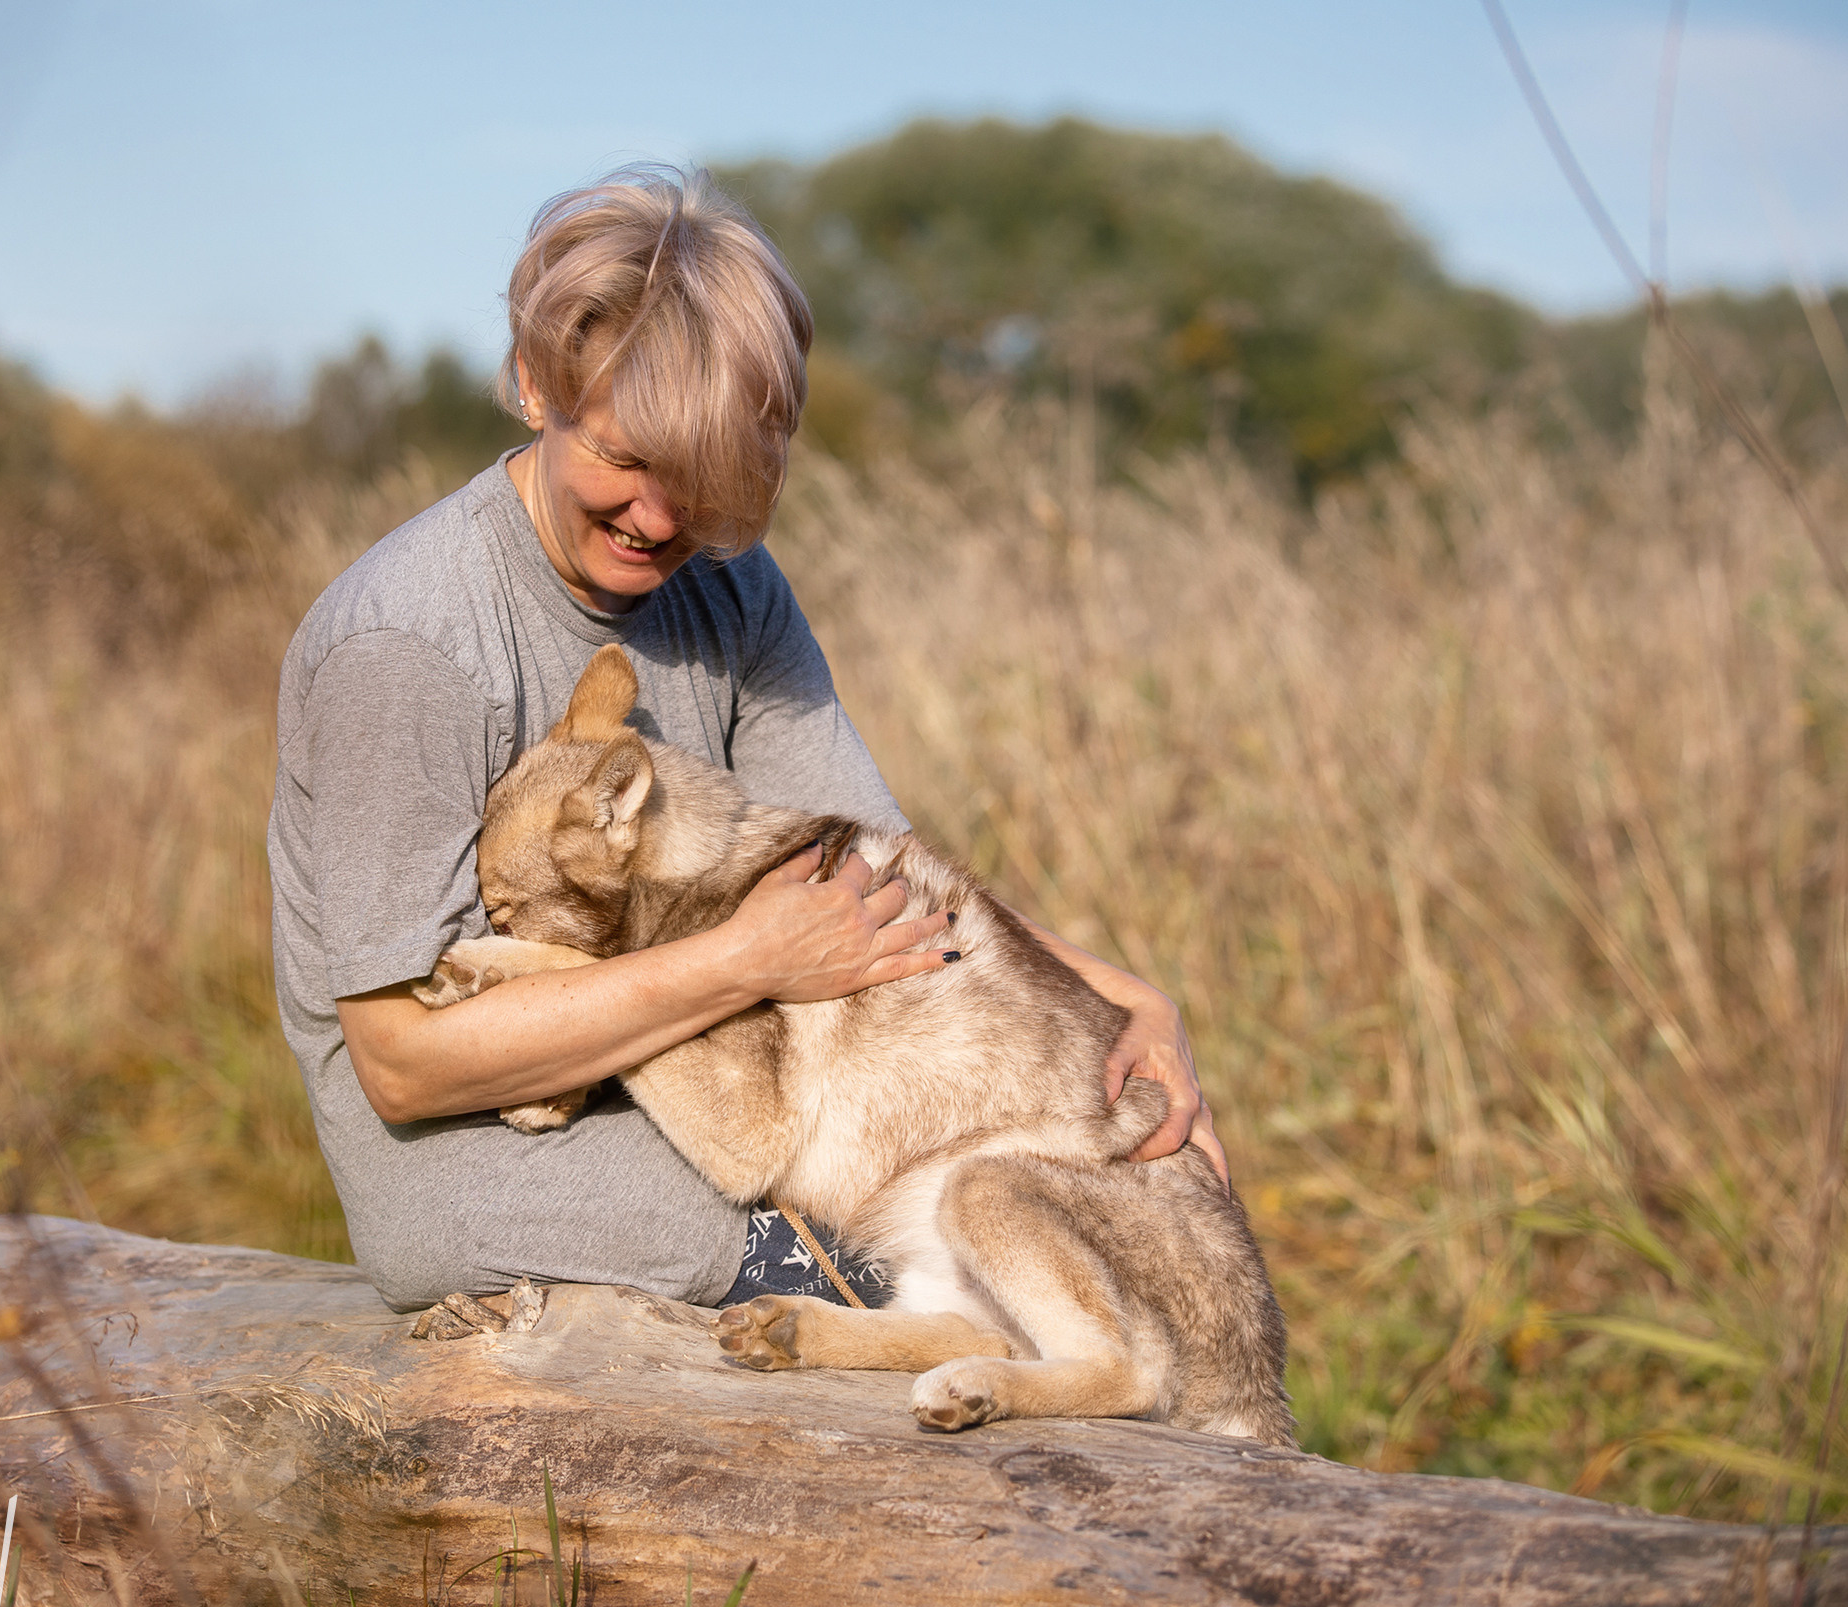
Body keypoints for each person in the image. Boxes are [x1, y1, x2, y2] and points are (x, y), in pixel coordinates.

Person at [267, 166, 1221, 1314]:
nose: (660, 519)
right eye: (625, 458)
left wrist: (1127, 1008)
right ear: (533, 383)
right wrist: (743, 962)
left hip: (743, 1090)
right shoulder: (409, 643)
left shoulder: (730, 585)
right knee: (1003, 1291)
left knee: (1138, 1182)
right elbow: (403, 1062)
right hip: (513, 1173)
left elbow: (882, 884)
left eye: (701, 475)